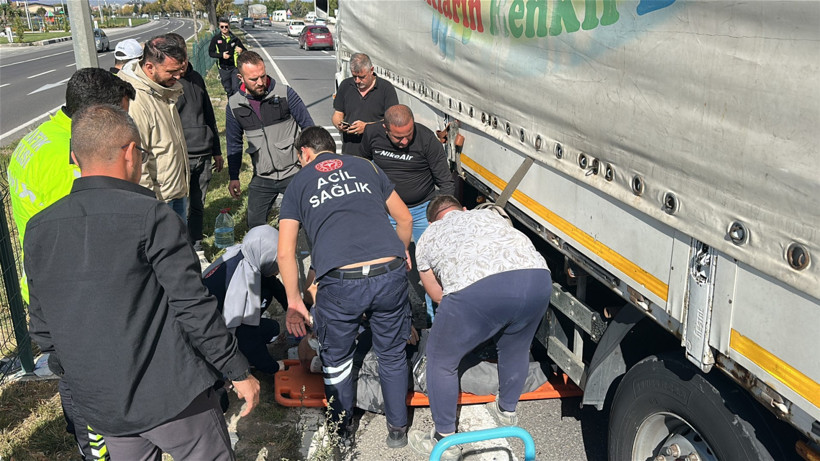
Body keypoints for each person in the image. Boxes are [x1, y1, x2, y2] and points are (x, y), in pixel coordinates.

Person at [25, 104, 260, 460]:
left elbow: (42, 324)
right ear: (131, 152)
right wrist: (236, 368)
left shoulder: (39, 228)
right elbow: (192, 305)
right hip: (174, 396)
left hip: (104, 406)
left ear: (75, 157)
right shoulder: (151, 216)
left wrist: (76, 374)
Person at [7, 68, 135, 461]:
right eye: (120, 117)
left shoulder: (33, 141)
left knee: (71, 368)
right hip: (76, 289)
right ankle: (96, 446)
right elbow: (89, 230)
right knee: (87, 377)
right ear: (98, 114)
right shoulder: (71, 158)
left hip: (43, 285)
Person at [278, 126, 413, 448]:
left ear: (304, 154)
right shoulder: (366, 166)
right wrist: (400, 251)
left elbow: (284, 251)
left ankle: (342, 429)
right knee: (392, 355)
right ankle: (397, 431)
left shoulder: (298, 183)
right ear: (332, 149)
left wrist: (295, 301)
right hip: (388, 271)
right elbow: (405, 219)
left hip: (341, 282)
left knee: (338, 358)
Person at [407, 196, 552, 460]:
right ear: (463, 209)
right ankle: (506, 410)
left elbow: (437, 295)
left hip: (479, 291)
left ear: (431, 222)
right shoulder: (489, 215)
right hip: (537, 278)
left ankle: (445, 441)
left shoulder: (429, 236)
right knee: (515, 346)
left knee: (440, 360)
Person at [359, 104, 455, 322]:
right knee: (388, 269)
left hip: (423, 211)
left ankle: (437, 319)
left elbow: (445, 182)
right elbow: (361, 165)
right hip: (388, 213)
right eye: (398, 138)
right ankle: (400, 320)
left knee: (434, 267)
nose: (404, 142)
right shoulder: (372, 133)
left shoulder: (426, 139)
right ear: (385, 129)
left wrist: (444, 220)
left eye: (408, 136)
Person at [226, 50, 314, 228]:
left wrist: (311, 163)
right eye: (253, 79)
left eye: (262, 76)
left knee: (309, 220)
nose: (260, 82)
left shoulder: (285, 93)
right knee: (255, 225)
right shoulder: (234, 104)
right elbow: (233, 143)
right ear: (240, 77)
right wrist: (233, 176)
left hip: (293, 172)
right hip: (263, 176)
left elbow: (309, 128)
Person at [119, 34, 190, 222]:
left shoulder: (161, 90)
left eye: (180, 70)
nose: (178, 76)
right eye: (172, 71)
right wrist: (151, 208)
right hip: (159, 201)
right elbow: (136, 163)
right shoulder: (136, 101)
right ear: (149, 67)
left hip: (174, 191)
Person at [202, 225, 287, 375]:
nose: (280, 270)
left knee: (267, 297)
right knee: (271, 331)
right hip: (209, 338)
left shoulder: (246, 255)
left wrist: (296, 308)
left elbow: (274, 284)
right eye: (277, 264)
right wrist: (271, 367)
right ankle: (238, 362)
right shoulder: (243, 284)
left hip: (208, 321)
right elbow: (248, 336)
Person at [173, 36, 224, 252]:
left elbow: (209, 115)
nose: (181, 65)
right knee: (179, 207)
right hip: (181, 156)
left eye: (183, 59)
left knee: (197, 204)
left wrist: (217, 151)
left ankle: (196, 242)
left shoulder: (197, 78)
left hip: (203, 153)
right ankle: (180, 246)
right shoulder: (167, 84)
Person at [332, 53, 398, 155]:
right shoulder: (345, 85)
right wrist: (339, 124)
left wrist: (367, 128)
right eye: (354, 76)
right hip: (350, 151)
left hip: (377, 152)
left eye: (362, 77)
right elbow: (337, 114)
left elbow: (392, 122)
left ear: (371, 70)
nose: (357, 81)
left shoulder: (386, 89)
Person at [209, 17, 245, 96]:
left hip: (234, 68)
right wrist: (221, 55)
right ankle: (231, 105)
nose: (224, 28)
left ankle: (235, 106)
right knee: (228, 90)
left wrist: (241, 51)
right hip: (223, 68)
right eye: (222, 27)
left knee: (235, 89)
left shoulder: (235, 39)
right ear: (219, 27)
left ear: (229, 26)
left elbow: (245, 51)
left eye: (226, 26)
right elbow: (211, 53)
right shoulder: (216, 39)